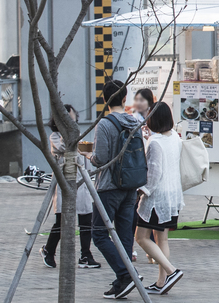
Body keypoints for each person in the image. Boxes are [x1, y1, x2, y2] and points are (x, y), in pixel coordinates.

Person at [92, 79, 145, 299]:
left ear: (104, 99)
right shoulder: (135, 123)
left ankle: (126, 273)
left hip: (109, 187)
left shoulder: (104, 124)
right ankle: (122, 280)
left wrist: (89, 156)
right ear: (125, 98)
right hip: (131, 186)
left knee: (99, 234)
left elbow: (101, 159)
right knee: (124, 236)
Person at [134, 102, 184, 295]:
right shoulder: (174, 138)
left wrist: (141, 191)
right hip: (173, 195)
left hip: (157, 197)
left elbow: (153, 174)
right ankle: (162, 282)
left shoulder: (154, 142)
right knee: (162, 239)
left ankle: (171, 272)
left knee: (141, 237)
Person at [42, 105, 98, 270]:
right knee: (62, 220)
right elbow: (66, 148)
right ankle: (49, 251)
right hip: (64, 180)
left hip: (82, 180)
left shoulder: (78, 135)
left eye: (72, 118)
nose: (70, 121)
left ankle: (86, 255)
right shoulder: (55, 137)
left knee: (86, 218)